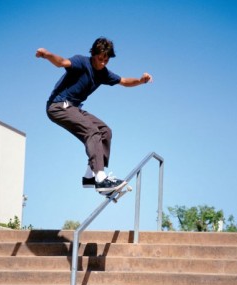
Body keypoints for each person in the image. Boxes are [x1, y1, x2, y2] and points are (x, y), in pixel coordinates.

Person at [36, 37, 152, 194]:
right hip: (58, 106)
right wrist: (47, 54)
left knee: (105, 131)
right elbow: (62, 62)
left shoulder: (103, 73)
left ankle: (89, 176)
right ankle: (100, 177)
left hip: (73, 108)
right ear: (93, 54)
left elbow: (124, 81)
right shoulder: (81, 62)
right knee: (92, 131)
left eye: (106, 60)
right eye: (100, 59)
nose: (103, 63)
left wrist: (140, 80)